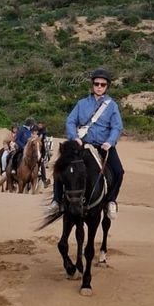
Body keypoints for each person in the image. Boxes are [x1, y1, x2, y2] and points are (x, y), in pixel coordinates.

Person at [49, 68, 124, 219]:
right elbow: (70, 121)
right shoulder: (81, 103)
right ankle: (57, 201)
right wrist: (74, 136)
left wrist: (110, 142)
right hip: (82, 145)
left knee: (119, 172)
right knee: (60, 166)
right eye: (97, 83)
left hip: (103, 146)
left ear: (107, 86)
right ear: (92, 84)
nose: (99, 87)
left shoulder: (112, 106)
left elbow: (117, 126)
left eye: (103, 84)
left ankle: (111, 201)